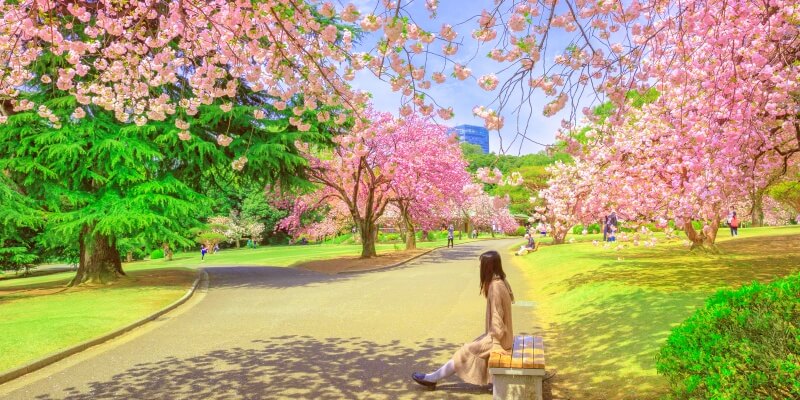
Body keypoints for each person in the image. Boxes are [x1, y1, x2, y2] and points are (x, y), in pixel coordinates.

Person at [412, 251, 514, 390]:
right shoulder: (501, 281)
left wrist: (495, 343)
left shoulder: (495, 287)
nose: (479, 268)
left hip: (499, 339)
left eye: (481, 265)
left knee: (466, 351)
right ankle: (495, 382)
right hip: (503, 336)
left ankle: (432, 378)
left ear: (488, 267)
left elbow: (497, 316)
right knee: (475, 344)